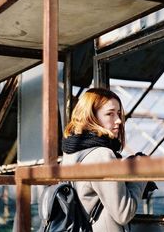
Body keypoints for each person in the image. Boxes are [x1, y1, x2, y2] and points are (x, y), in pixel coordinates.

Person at [61, 88, 147, 232]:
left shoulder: (71, 151)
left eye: (119, 114)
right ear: (91, 116)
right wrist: (141, 172)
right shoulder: (102, 155)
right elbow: (123, 213)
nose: (119, 120)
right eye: (110, 114)